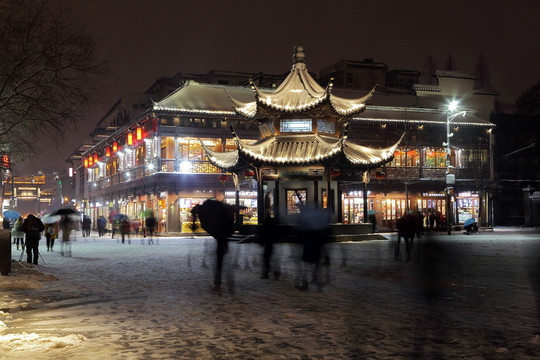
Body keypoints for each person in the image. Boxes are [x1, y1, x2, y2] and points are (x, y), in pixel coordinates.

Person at [259, 215, 280, 280]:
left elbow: (262, 234)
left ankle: (266, 274)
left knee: (266, 259)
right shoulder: (274, 226)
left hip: (267, 244)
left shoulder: (265, 225)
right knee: (272, 259)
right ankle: (275, 273)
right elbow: (276, 234)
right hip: (271, 243)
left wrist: (261, 242)